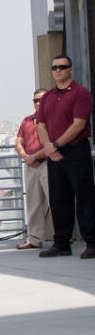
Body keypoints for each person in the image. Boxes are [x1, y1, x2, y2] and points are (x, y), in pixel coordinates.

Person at [34, 55, 95, 259]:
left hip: (76, 150)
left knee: (84, 198)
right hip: (54, 154)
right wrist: (50, 149)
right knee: (59, 198)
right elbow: (40, 125)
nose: (58, 70)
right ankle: (61, 244)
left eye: (63, 67)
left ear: (71, 69)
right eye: (55, 67)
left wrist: (56, 144)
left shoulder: (81, 93)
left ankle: (92, 243)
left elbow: (78, 124)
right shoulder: (48, 97)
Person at [15, 88, 49, 249]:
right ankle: (34, 239)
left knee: (56, 201)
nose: (38, 103)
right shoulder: (27, 121)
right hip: (30, 165)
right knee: (33, 203)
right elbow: (19, 142)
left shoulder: (53, 120)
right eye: (36, 100)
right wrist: (26, 157)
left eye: (41, 100)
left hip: (48, 163)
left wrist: (35, 157)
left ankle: (63, 237)